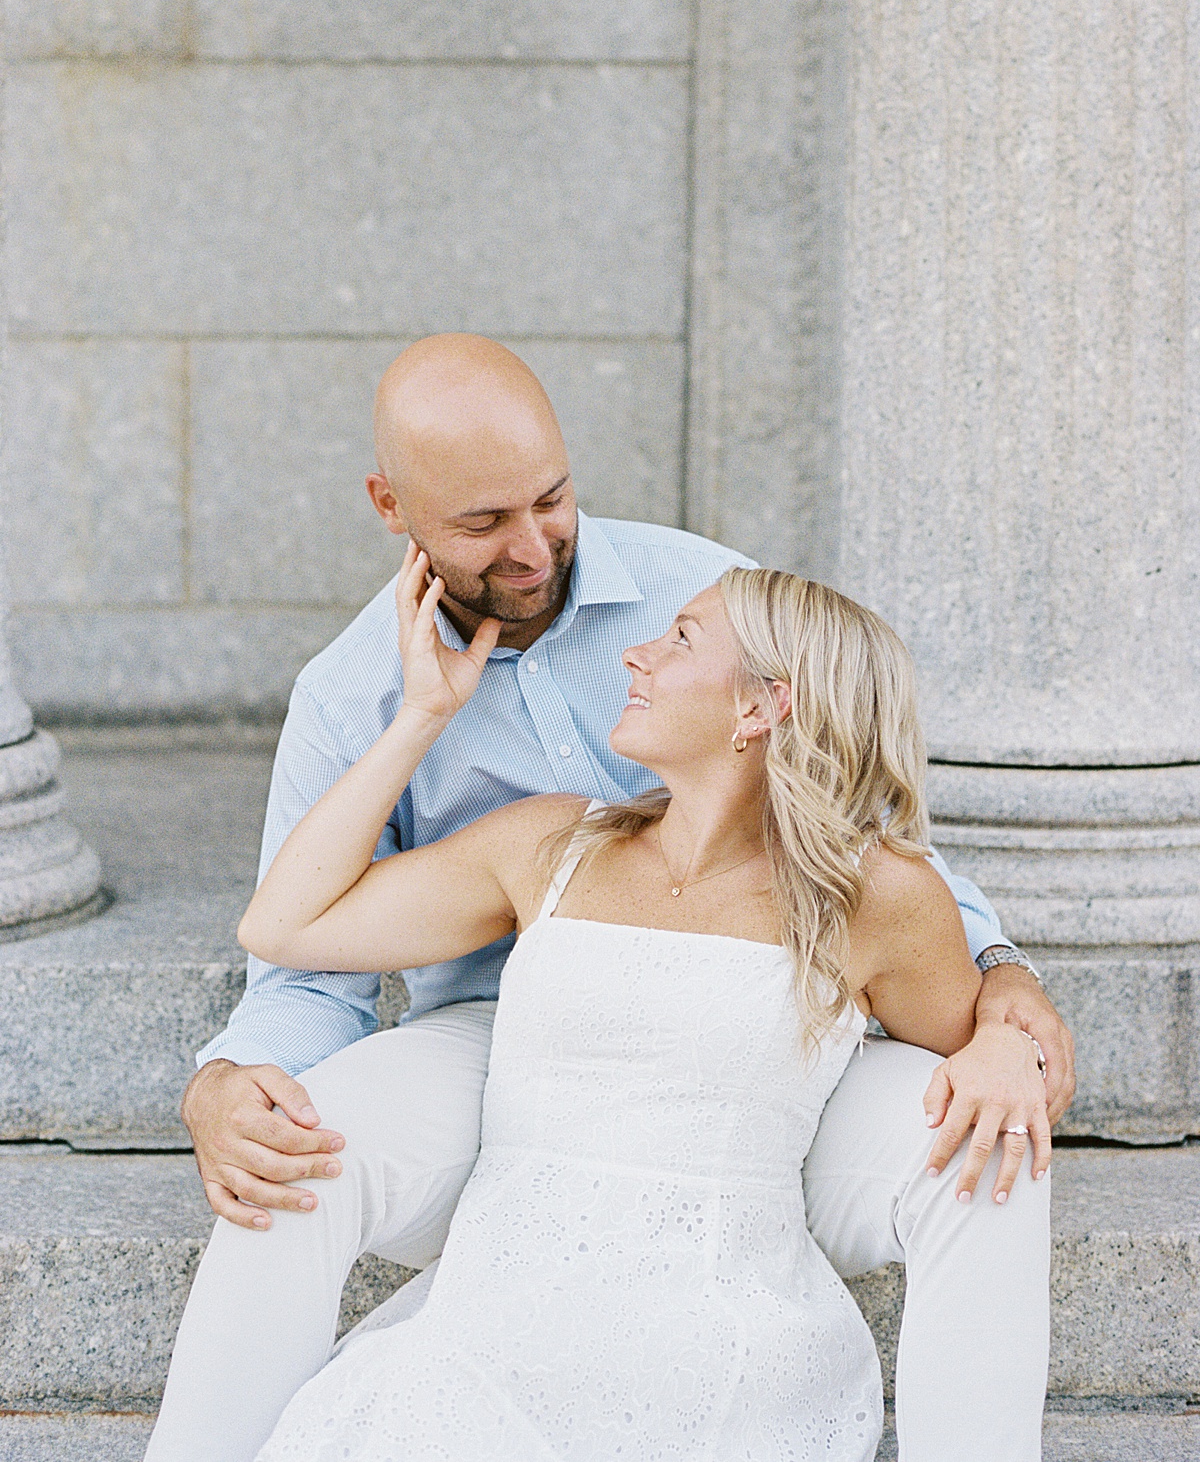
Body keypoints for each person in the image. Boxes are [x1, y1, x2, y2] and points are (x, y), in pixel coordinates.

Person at [147, 335, 1065, 1461]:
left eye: (554, 498)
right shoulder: (370, 710)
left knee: (993, 1146)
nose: (533, 547)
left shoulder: (715, 596)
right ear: (394, 506)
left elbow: (856, 832)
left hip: (775, 1058)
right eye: (485, 524)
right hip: (505, 1047)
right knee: (285, 1146)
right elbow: (292, 951)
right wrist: (225, 1082)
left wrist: (1004, 1000)